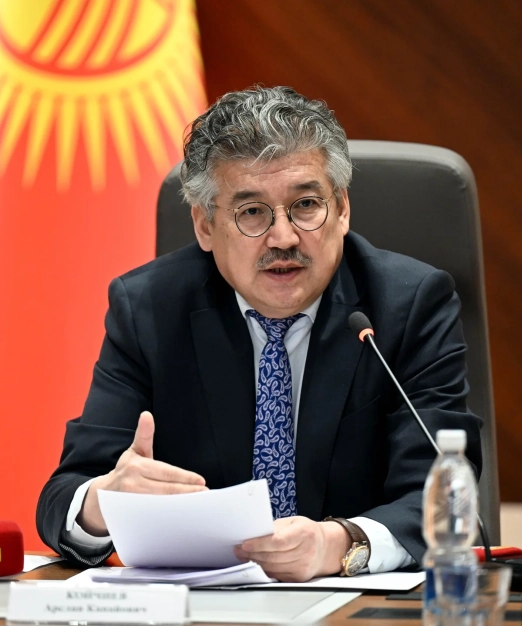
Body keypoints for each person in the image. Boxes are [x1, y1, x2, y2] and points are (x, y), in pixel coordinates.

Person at [36, 85, 483, 582]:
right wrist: (103, 501)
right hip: (201, 606)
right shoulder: (149, 310)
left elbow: (443, 497)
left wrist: (339, 543)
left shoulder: (409, 305)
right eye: (251, 212)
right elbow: (62, 499)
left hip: (354, 600)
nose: (284, 237)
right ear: (205, 226)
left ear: (342, 209)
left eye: (306, 205)